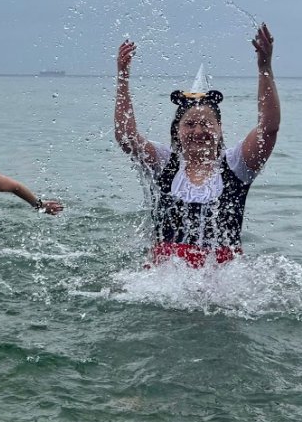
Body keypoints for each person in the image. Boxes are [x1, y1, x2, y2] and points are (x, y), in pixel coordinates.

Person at [114, 24, 280, 267]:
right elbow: (126, 137)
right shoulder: (164, 163)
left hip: (224, 277)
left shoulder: (237, 165)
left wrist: (264, 68)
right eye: (190, 124)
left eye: (206, 124)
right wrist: (123, 77)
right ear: (177, 130)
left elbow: (268, 129)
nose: (199, 132)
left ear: (220, 128)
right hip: (164, 277)